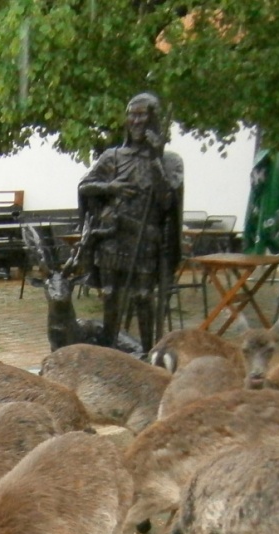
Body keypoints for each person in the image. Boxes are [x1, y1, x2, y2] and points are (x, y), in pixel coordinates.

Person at [72, 92, 183, 351]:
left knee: (144, 297)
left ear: (153, 119)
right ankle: (110, 352)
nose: (136, 121)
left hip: (146, 239)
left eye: (142, 114)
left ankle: (148, 354)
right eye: (132, 114)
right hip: (112, 237)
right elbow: (85, 186)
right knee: (111, 296)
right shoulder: (112, 157)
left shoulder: (169, 161)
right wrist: (110, 186)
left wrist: (155, 159)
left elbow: (167, 200)